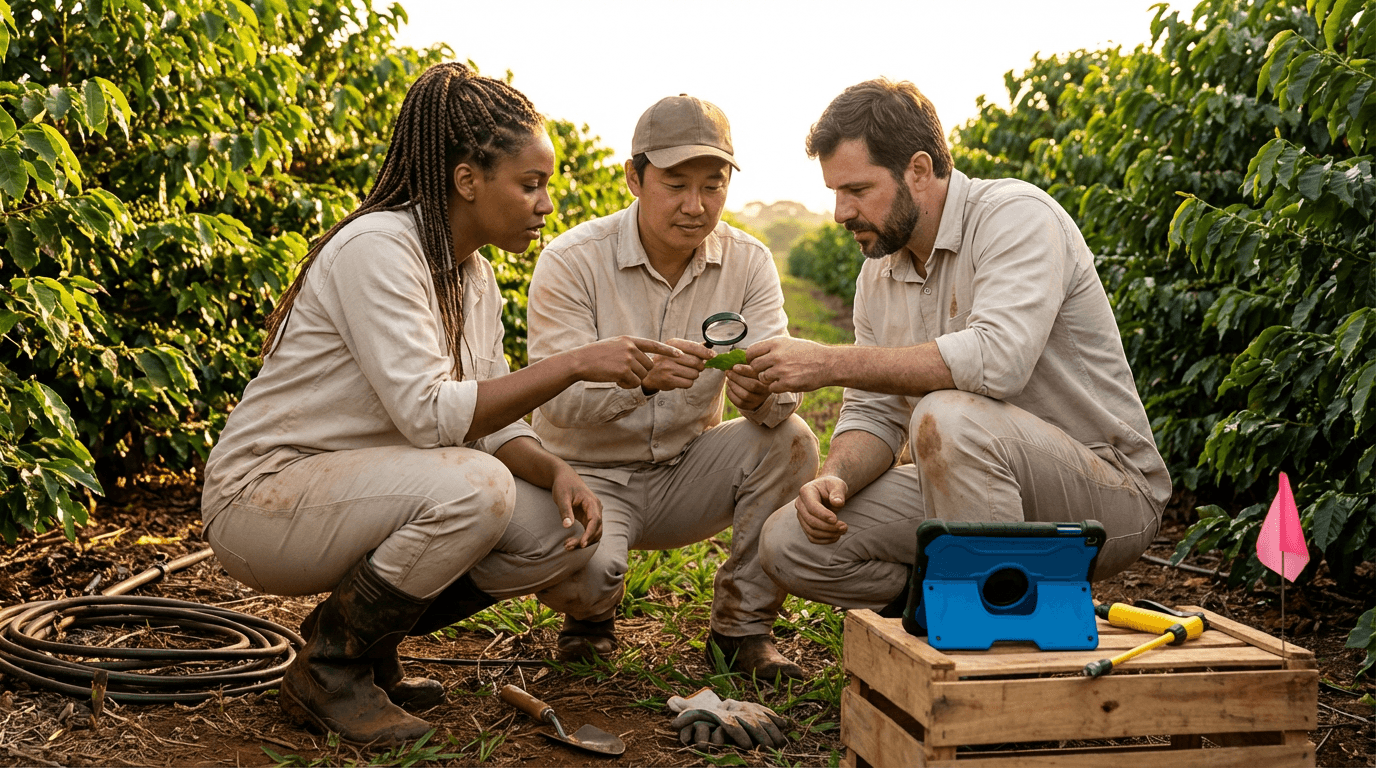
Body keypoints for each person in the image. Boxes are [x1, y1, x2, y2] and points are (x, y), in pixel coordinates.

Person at [200, 63, 682, 745]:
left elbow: (491, 417)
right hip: (263, 502)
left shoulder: (471, 273)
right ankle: (329, 672)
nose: (547, 204)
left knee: (552, 529)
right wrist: (576, 362)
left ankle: (365, 644)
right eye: (531, 184)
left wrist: (553, 470)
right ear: (467, 181)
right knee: (475, 488)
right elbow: (431, 414)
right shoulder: (379, 249)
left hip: (351, 493)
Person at [750, 78, 1171, 615]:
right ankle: (964, 598)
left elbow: (997, 362)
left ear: (919, 172)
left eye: (857, 190)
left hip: (1104, 495)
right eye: (835, 192)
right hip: (969, 480)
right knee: (790, 543)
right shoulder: (877, 274)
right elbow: (874, 412)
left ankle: (990, 639)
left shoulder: (1015, 215)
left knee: (945, 412)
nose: (840, 212)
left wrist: (829, 361)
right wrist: (834, 478)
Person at [524, 95, 819, 681]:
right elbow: (552, 397)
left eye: (713, 186)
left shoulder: (748, 263)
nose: (695, 205)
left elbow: (780, 388)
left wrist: (759, 391)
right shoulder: (572, 261)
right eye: (676, 184)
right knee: (587, 575)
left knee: (792, 439)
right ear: (634, 178)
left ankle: (741, 629)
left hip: (686, 468)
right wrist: (639, 380)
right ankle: (589, 619)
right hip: (586, 476)